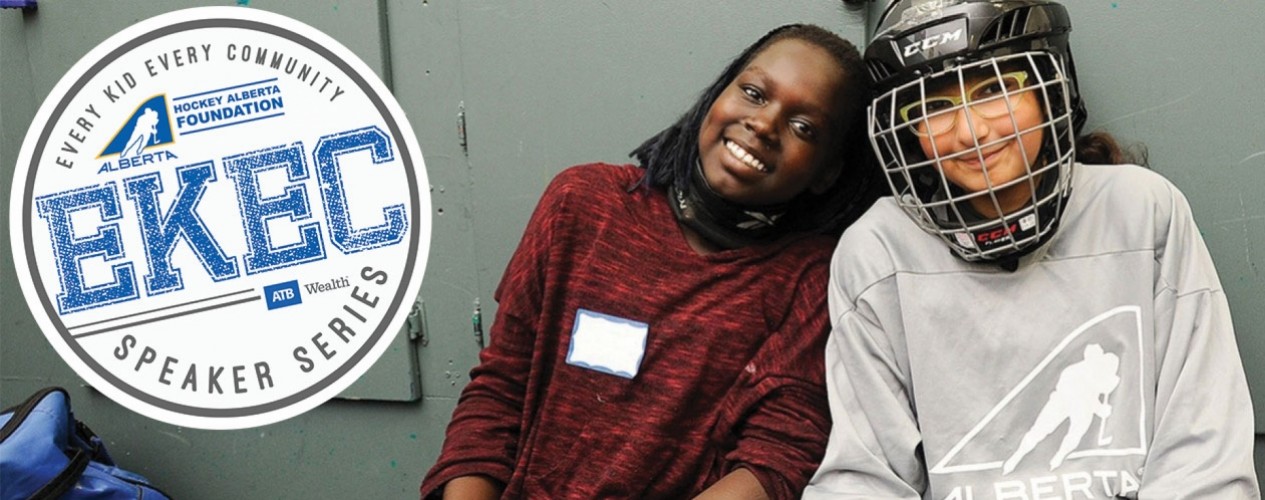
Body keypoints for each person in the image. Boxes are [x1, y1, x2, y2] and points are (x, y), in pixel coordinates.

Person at [805, 0, 1259, 498]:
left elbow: (1203, 453)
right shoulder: (880, 249)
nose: (971, 132)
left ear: (1051, 89)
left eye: (996, 89)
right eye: (932, 107)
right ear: (906, 134)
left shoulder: (1141, 211)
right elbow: (865, 477)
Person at [420, 24, 881, 499]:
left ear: (828, 171)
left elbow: (778, 460)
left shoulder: (812, 278)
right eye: (753, 93)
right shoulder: (582, 204)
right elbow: (499, 393)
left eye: (804, 127)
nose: (764, 124)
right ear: (717, 95)